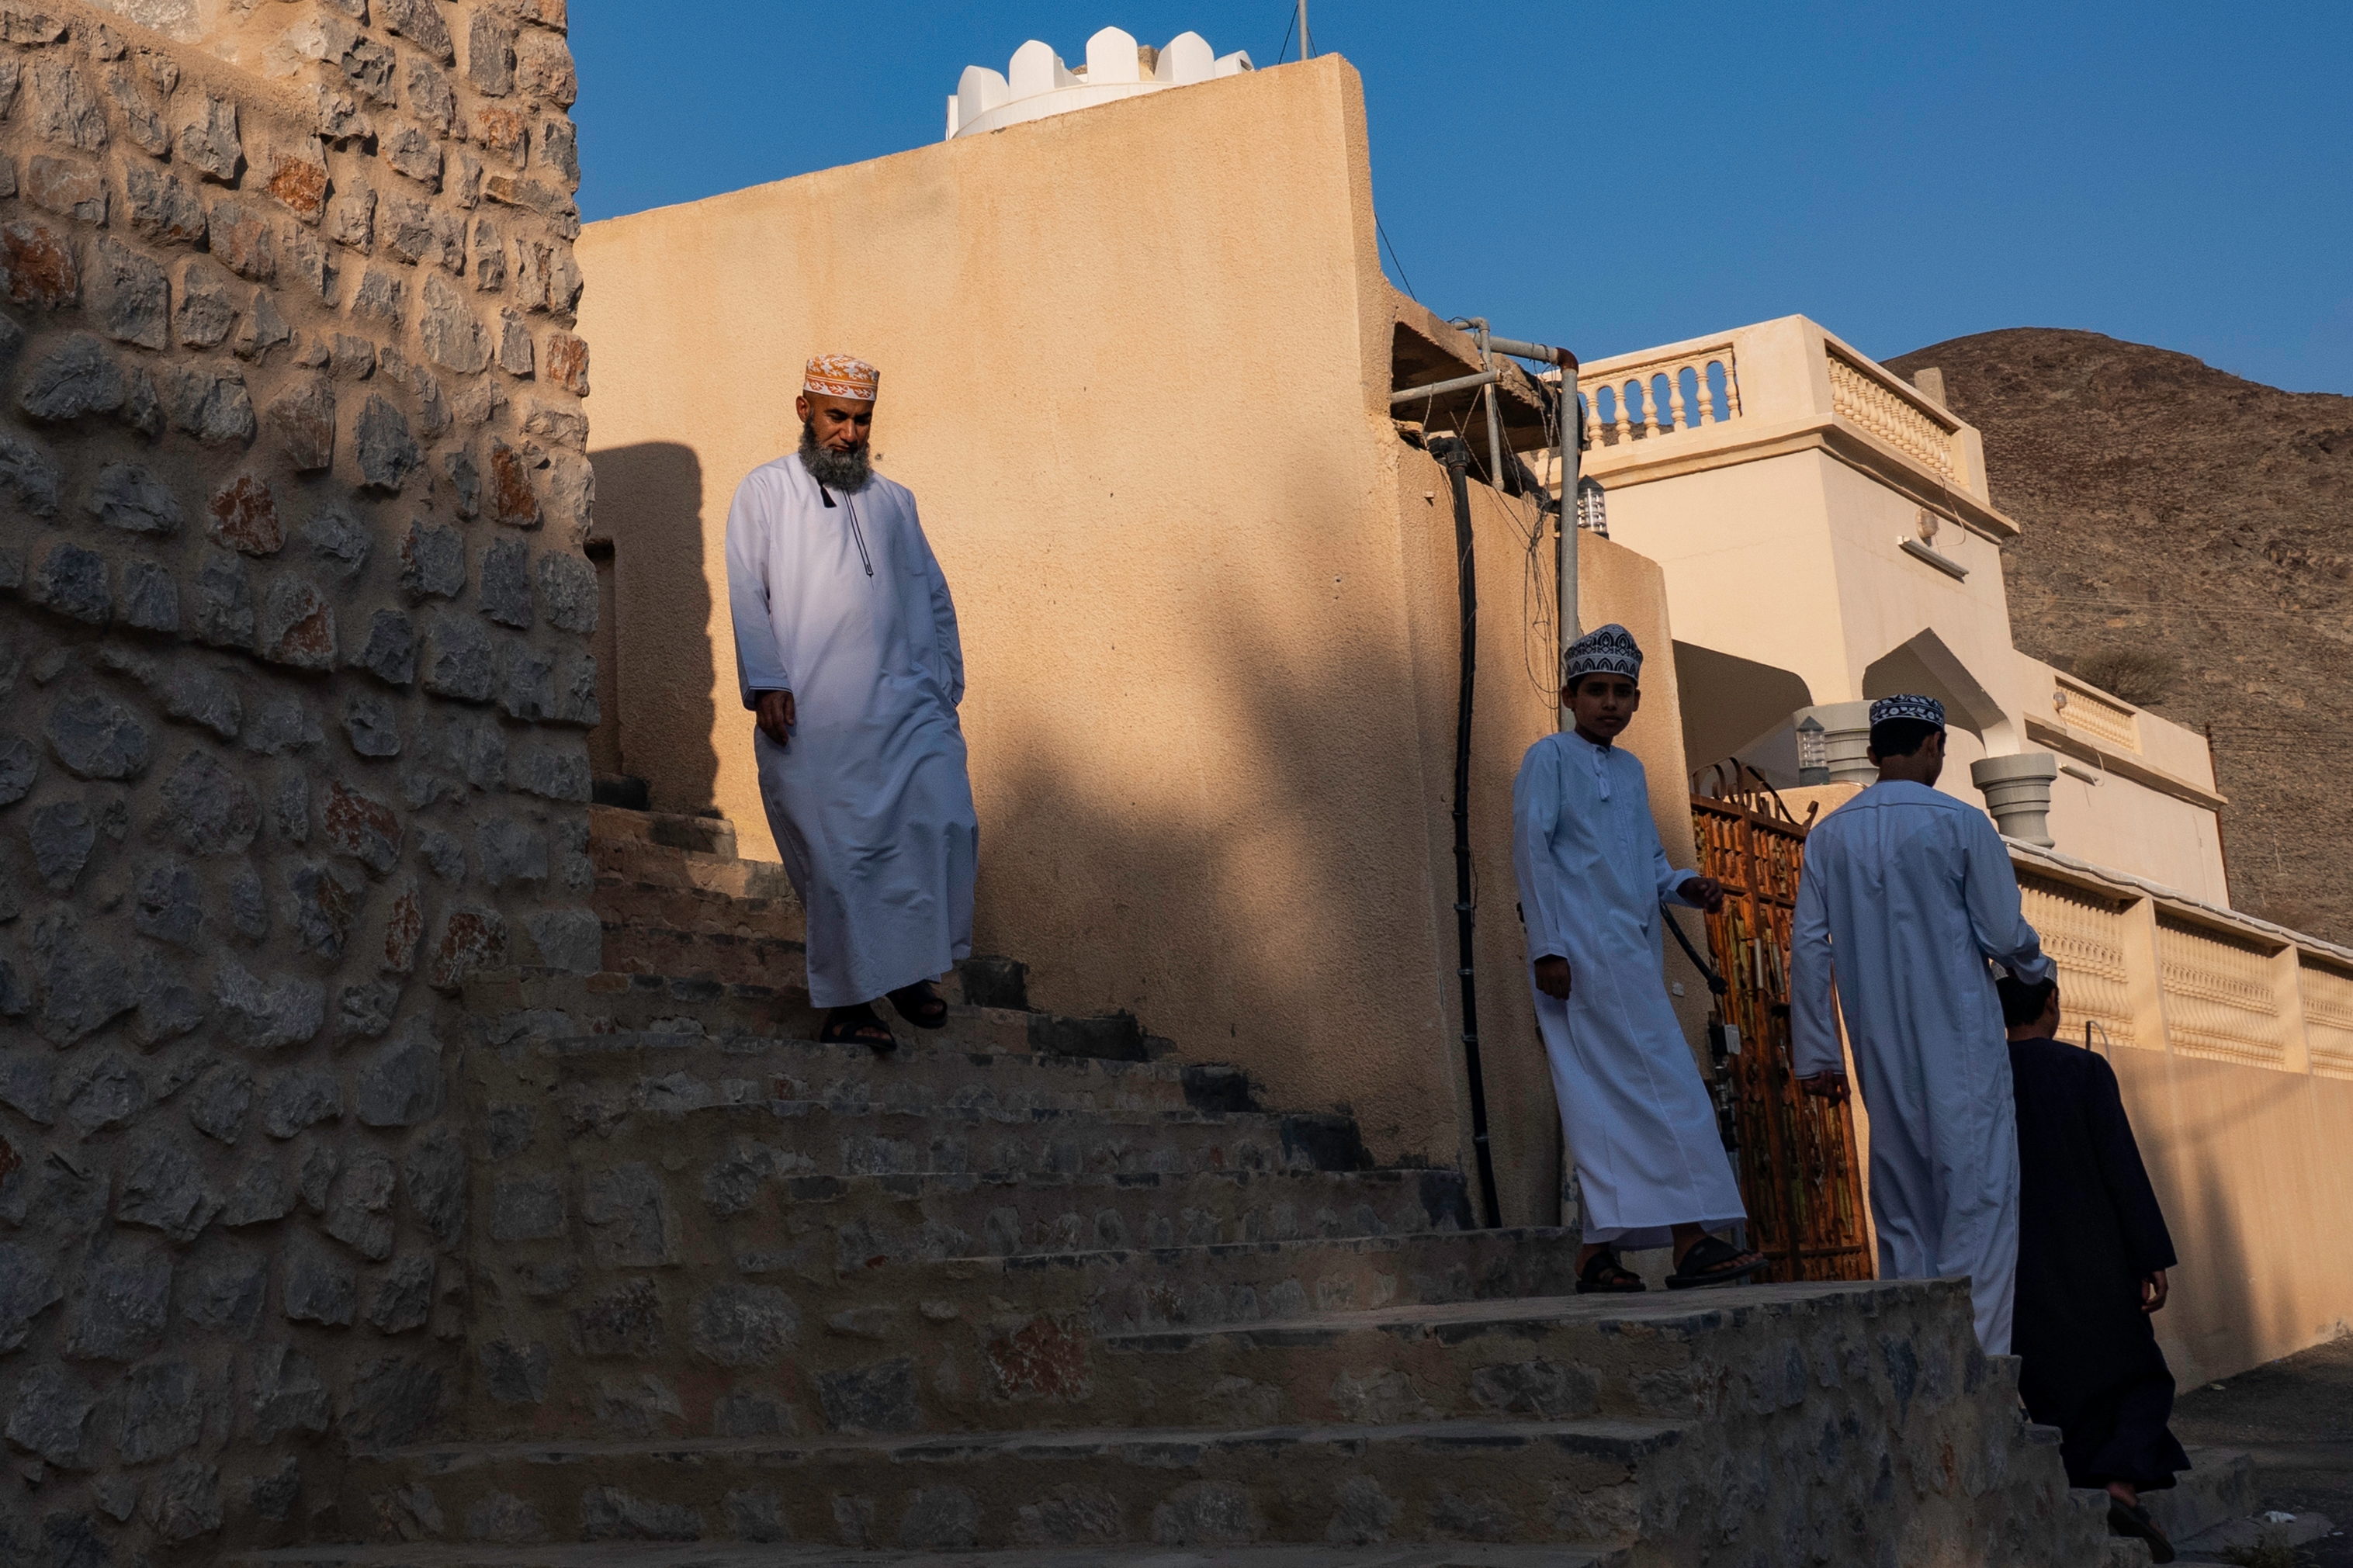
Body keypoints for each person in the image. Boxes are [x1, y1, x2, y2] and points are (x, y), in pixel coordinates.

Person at [723, 353, 979, 1049]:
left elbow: (933, 592)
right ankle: (849, 1003)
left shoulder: (896, 501)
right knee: (839, 858)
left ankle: (906, 971)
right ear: (804, 409)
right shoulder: (766, 491)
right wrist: (767, 681)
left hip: (906, 708)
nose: (851, 433)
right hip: (813, 712)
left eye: (862, 420)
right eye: (838, 417)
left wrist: (945, 682)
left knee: (945, 822)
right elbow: (748, 589)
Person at [1788, 694, 2052, 1353]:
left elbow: (1810, 949)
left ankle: (1914, 1363)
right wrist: (2034, 962)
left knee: (1904, 1208)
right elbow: (1999, 930)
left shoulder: (1829, 836)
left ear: (1875, 752)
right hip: (1960, 1041)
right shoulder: (1962, 824)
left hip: (1879, 1048)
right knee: (1979, 1199)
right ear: (1935, 744)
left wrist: (1819, 1054)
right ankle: (1979, 1367)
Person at [1512, 624, 1765, 1293]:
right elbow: (1532, 854)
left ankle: (1596, 1257)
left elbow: (1650, 864)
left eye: (1624, 692)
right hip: (1578, 959)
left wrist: (1687, 884)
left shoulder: (1631, 771)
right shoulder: (1550, 758)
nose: (1611, 704)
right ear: (1570, 694)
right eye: (1597, 690)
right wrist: (1547, 947)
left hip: (1630, 958)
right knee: (1668, 1093)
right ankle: (1692, 1243)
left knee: (1607, 1103)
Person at [2001, 973, 2188, 1563]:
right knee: (2137, 1376)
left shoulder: (1983, 1075)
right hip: (2094, 1255)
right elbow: (2120, 1166)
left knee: (2052, 1380)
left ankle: (2080, 1493)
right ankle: (2121, 1485)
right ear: (2051, 1002)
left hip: (2016, 1261)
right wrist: (2149, 1253)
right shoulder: (2082, 1071)